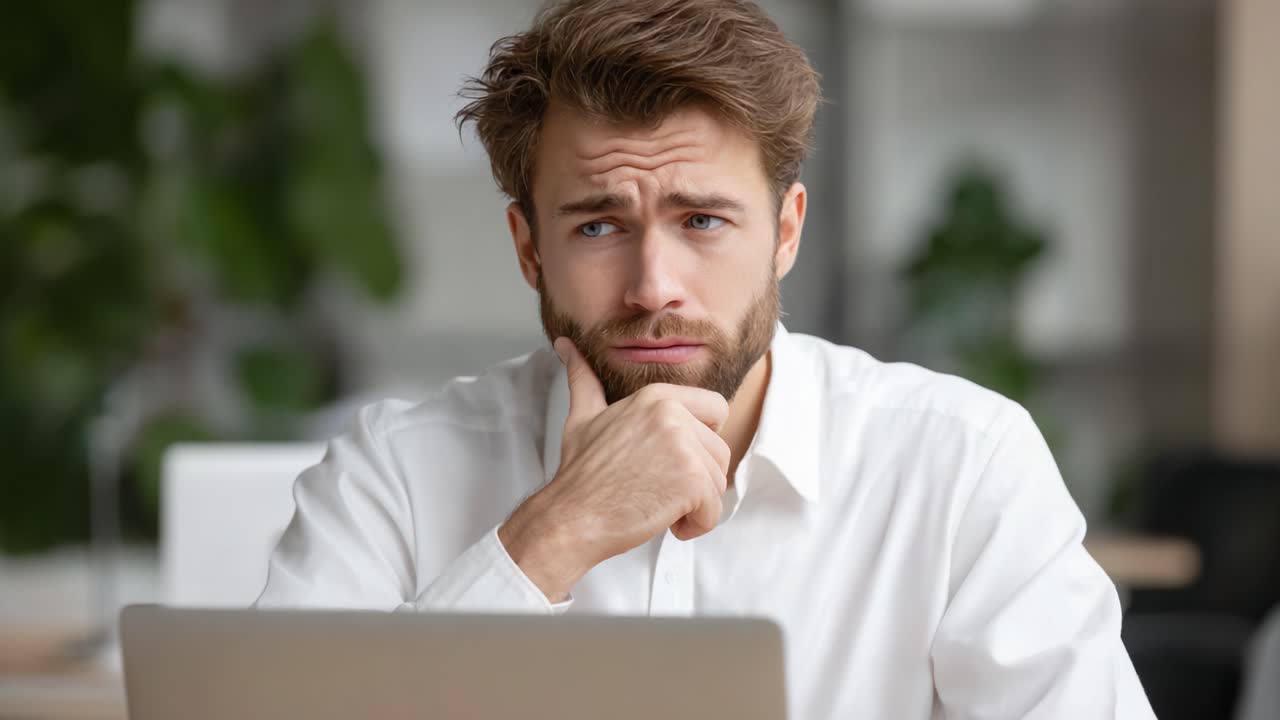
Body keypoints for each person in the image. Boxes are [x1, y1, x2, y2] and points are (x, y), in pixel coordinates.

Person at [257, 0, 1156, 716]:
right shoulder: (398, 472)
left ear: (786, 233)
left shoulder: (961, 464)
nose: (655, 286)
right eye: (599, 224)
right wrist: (551, 536)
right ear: (530, 248)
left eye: (703, 221)